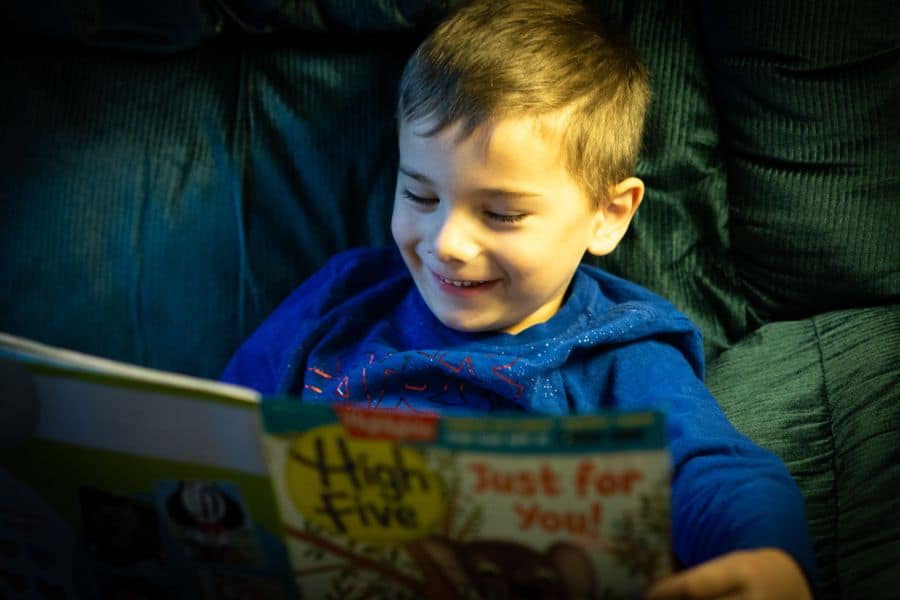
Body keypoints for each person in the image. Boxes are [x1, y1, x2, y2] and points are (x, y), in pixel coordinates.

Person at [222, 1, 817, 597]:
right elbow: (222, 421)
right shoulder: (343, 296)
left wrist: (767, 557)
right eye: (420, 197)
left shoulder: (618, 351)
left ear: (609, 217)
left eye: (501, 214)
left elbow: (713, 472)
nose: (447, 244)